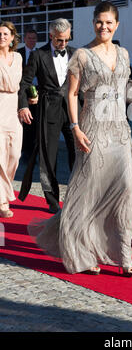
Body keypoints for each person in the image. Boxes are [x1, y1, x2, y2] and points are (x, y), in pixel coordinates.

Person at [29, 1, 132, 276]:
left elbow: (128, 88)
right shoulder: (83, 56)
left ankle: (125, 253)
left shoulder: (124, 53)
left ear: (117, 25)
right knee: (88, 192)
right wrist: (76, 128)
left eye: (109, 22)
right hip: (93, 128)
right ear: (93, 23)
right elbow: (72, 94)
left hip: (120, 129)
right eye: (99, 22)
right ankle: (82, 251)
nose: (104, 26)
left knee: (126, 188)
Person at [18, 19, 76, 214]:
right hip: (48, 108)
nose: (64, 44)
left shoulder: (75, 53)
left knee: (77, 155)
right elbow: (25, 82)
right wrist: (24, 106)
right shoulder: (38, 55)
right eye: (60, 40)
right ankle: (51, 199)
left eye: (67, 40)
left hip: (71, 110)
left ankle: (78, 195)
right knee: (47, 157)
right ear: (51, 36)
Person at [0, 21, 23, 218]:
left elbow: (20, 84)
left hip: (14, 109)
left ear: (12, 37)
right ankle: (3, 201)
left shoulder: (18, 57)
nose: (2, 37)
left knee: (14, 155)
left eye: (5, 34)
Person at [18, 29, 39, 160]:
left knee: (35, 122)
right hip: (21, 92)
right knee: (23, 122)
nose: (32, 41)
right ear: (24, 39)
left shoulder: (40, 53)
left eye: (34, 38)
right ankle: (24, 150)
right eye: (29, 38)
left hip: (37, 93)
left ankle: (33, 150)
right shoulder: (17, 54)